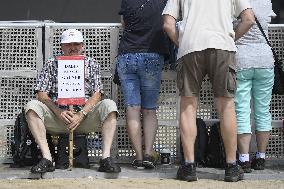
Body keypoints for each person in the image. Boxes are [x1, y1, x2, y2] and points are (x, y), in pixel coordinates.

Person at [162, 0, 255, 182]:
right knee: (226, 106)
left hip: (190, 46)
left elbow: (167, 23)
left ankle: (189, 166)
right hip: (222, 46)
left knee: (188, 107)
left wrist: (182, 42)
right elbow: (249, 19)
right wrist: (229, 38)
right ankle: (231, 166)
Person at [24, 29, 121, 173]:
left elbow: (97, 93)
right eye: (68, 44)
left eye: (76, 44)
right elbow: (41, 93)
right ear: (62, 47)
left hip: (84, 117)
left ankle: (105, 157)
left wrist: (82, 113)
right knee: (32, 107)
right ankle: (47, 158)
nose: (73, 47)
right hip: (58, 118)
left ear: (83, 46)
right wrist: (58, 112)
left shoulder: (91, 64)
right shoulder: (51, 64)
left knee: (110, 106)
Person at [117, 0, 169, 169]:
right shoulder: (163, 2)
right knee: (149, 109)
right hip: (151, 54)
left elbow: (124, 24)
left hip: (126, 56)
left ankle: (138, 157)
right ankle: (148, 154)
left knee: (132, 109)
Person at [234, 0, 276, 173]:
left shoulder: (236, 2)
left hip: (241, 59)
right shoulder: (266, 1)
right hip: (265, 60)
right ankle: (261, 157)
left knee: (242, 111)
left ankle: (244, 158)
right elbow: (269, 19)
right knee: (263, 111)